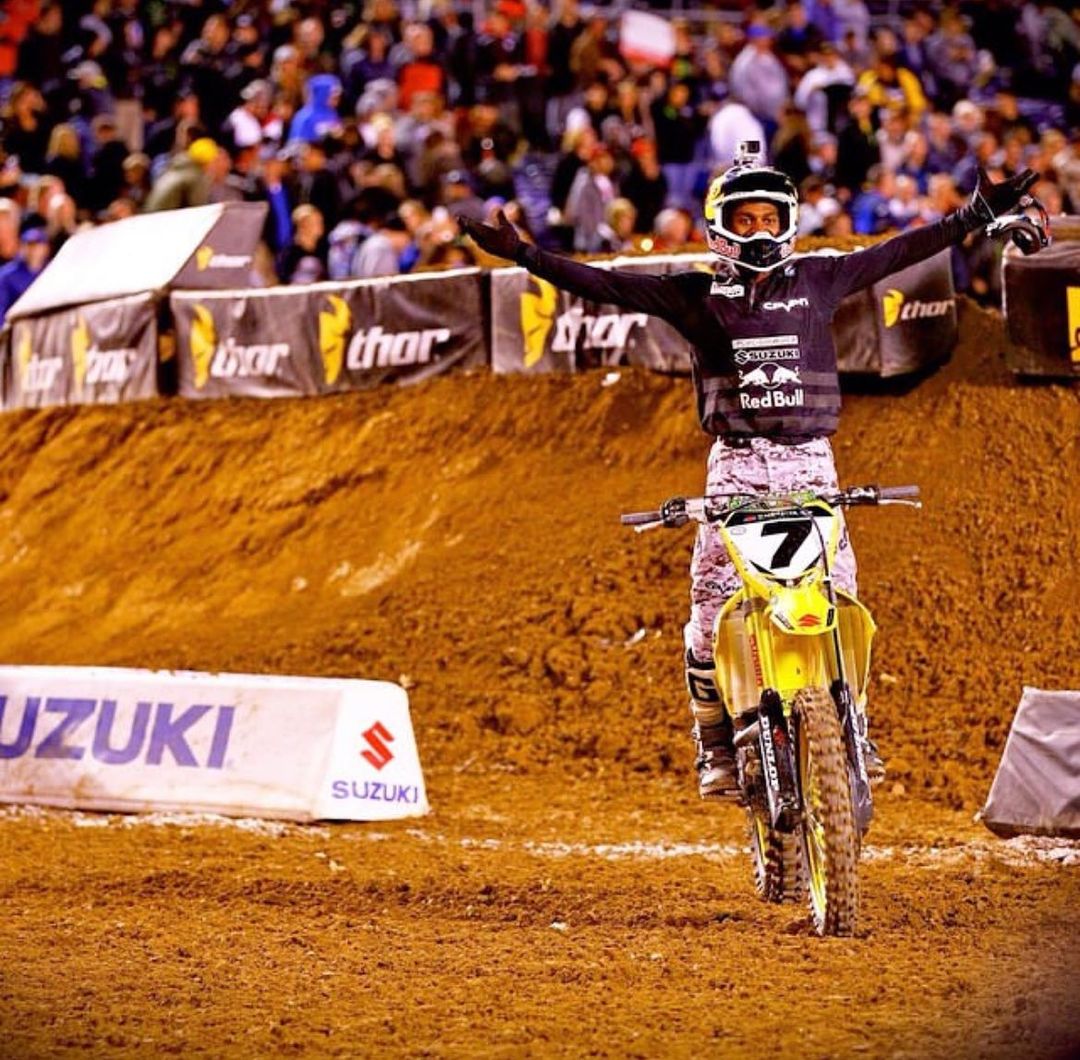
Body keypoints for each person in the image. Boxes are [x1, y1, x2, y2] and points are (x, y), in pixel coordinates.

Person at [461, 142, 1038, 799]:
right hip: (735, 468)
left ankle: (853, 727)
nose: (759, 230)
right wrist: (525, 254)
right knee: (710, 609)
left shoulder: (819, 279)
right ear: (721, 226)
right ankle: (713, 741)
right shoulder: (694, 294)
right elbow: (606, 284)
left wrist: (973, 215)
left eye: (769, 218)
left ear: (788, 221)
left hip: (811, 463)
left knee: (840, 600)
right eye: (746, 219)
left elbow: (897, 252)